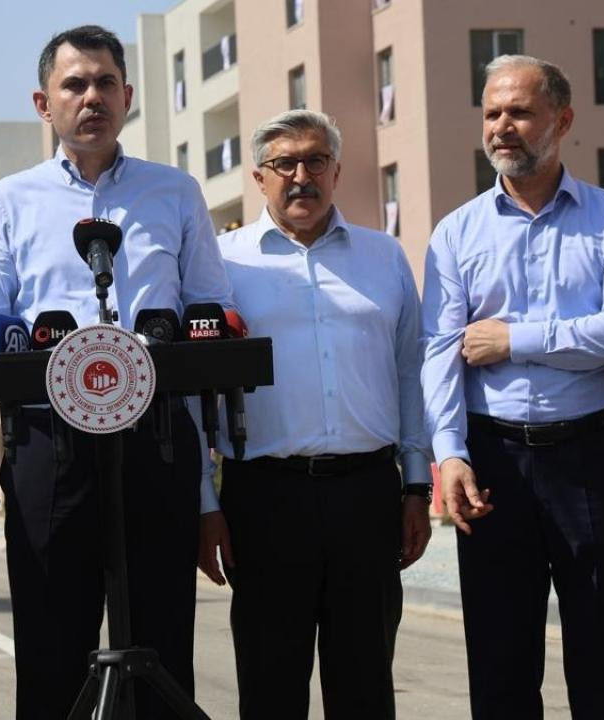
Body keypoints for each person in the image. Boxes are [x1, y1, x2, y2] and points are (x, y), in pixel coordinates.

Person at [0, 24, 233, 719]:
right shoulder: (10, 200)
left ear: (128, 97)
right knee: (52, 650)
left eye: (106, 83)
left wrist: (205, 494)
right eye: (74, 85)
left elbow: (209, 316)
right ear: (43, 103)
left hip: (157, 438)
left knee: (162, 640)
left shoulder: (174, 192)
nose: (92, 98)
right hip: (49, 444)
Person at [421, 55, 604, 718]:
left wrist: (514, 340)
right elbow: (439, 350)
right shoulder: (456, 232)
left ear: (563, 120)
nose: (502, 126)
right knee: (499, 663)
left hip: (592, 459)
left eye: (520, 112)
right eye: (492, 113)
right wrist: (450, 453)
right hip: (492, 462)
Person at [197, 109, 431, 718]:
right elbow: (194, 395)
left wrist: (416, 486)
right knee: (270, 687)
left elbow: (411, 374)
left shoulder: (384, 257)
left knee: (365, 685)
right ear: (259, 177)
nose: (302, 176)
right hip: (264, 499)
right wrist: (206, 503)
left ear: (336, 171)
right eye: (284, 164)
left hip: (367, 495)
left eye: (316, 161)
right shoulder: (221, 265)